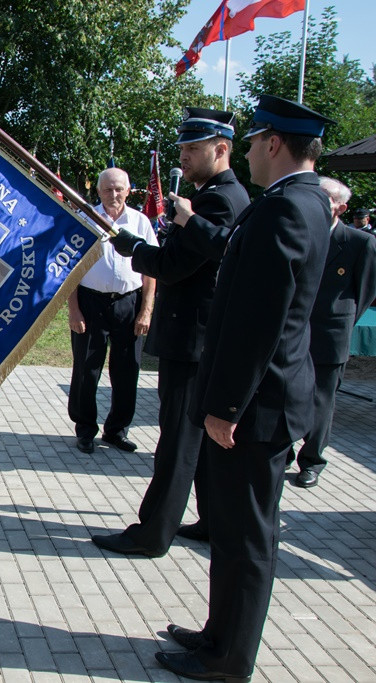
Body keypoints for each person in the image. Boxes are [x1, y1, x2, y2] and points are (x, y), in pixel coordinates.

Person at [155, 95, 334, 683]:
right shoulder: (295, 202)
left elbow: (259, 323)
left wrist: (226, 406)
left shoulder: (286, 208)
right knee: (229, 532)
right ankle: (217, 635)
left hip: (258, 407)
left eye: (255, 141)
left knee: (248, 540)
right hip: (261, 401)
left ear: (275, 144)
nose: (251, 152)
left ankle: (230, 660)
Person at [93, 108, 250, 558]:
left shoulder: (218, 200)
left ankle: (152, 533)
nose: (182, 155)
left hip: (192, 338)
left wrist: (134, 248)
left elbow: (177, 266)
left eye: (191, 148)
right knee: (194, 440)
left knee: (178, 440)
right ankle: (212, 520)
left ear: (220, 149)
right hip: (198, 337)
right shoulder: (222, 194)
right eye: (182, 146)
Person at [289, 177, 376, 489]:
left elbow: (364, 292)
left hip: (330, 334)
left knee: (321, 401)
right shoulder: (302, 234)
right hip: (295, 331)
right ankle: (283, 448)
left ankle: (311, 460)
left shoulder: (359, 243)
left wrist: (343, 322)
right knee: (287, 392)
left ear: (342, 207)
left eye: (326, 198)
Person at [67, 167, 157, 454]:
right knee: (86, 369)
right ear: (99, 191)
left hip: (129, 304)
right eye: (108, 189)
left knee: (127, 370)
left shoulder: (141, 222)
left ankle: (117, 430)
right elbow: (70, 269)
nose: (114, 194)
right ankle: (85, 430)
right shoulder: (85, 219)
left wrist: (146, 311)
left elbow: (151, 272)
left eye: (119, 189)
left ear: (129, 190)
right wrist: (74, 311)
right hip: (90, 302)